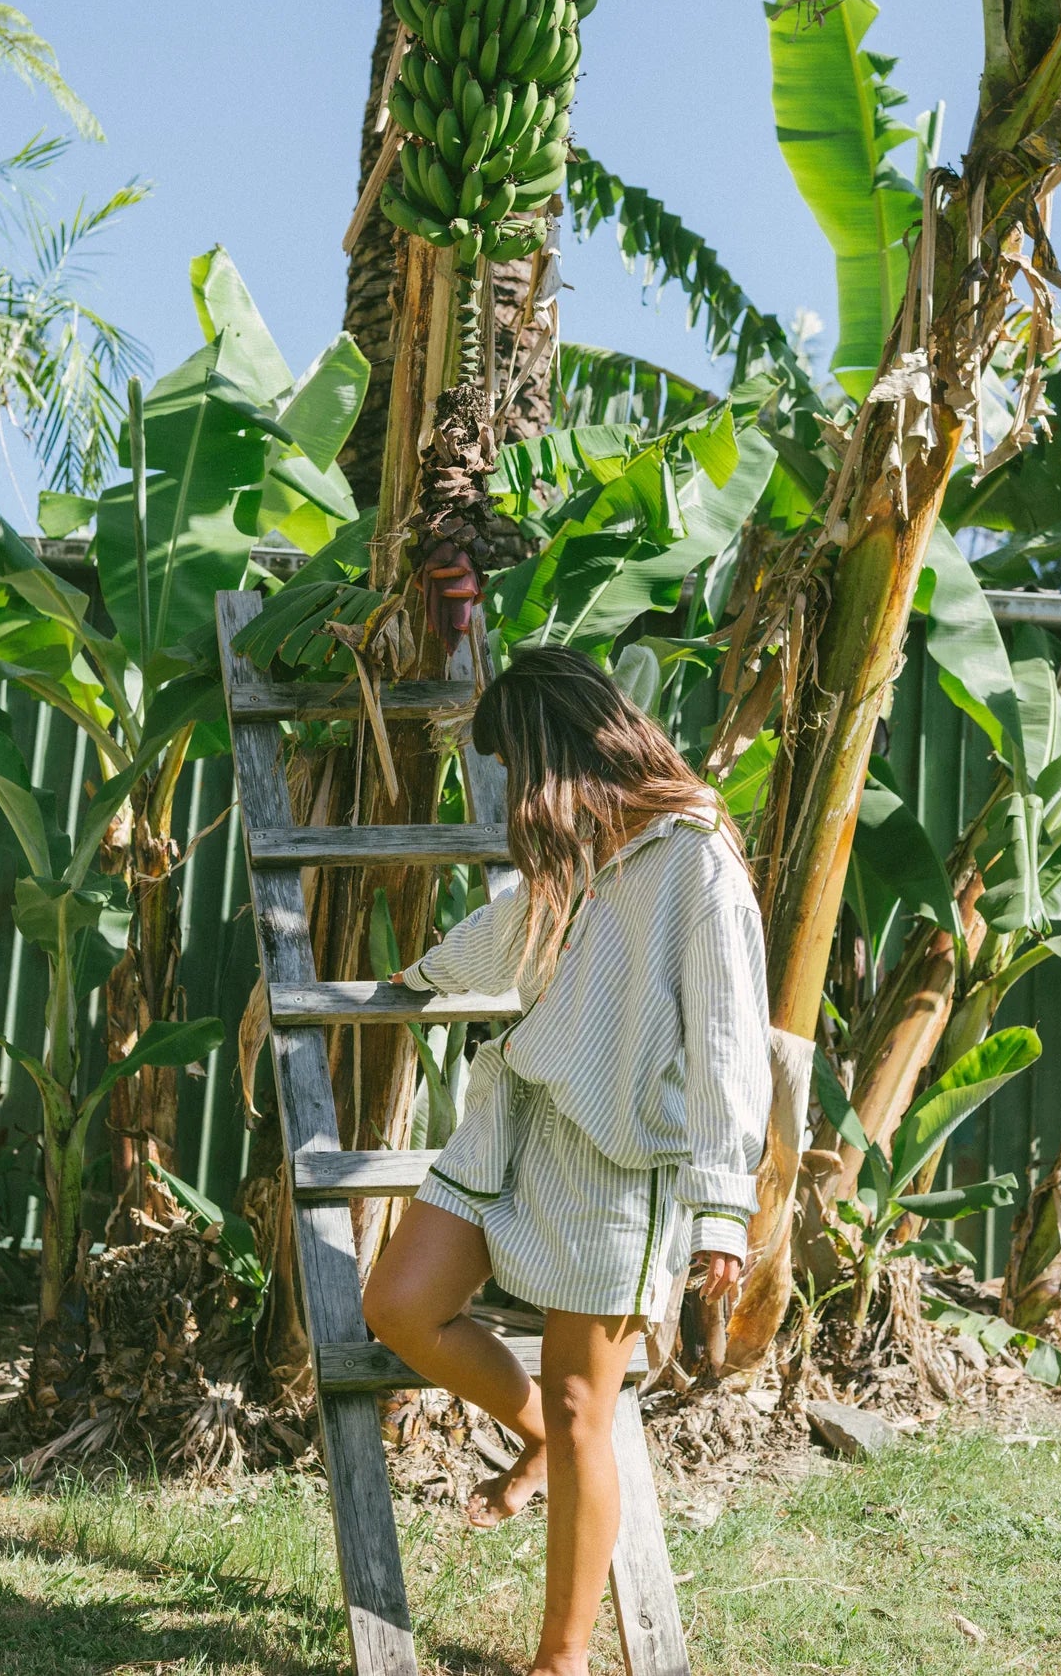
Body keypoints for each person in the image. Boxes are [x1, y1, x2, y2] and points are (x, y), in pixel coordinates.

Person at [363, 645, 771, 1676]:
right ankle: (539, 1434)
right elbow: (509, 930)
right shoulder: (580, 849)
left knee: (590, 1405)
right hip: (516, 1128)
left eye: (510, 765)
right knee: (400, 1304)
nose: (508, 791)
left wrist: (723, 1211)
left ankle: (562, 1658)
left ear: (551, 752)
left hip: (619, 1170)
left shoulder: (697, 863)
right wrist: (419, 974)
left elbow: (730, 1042)